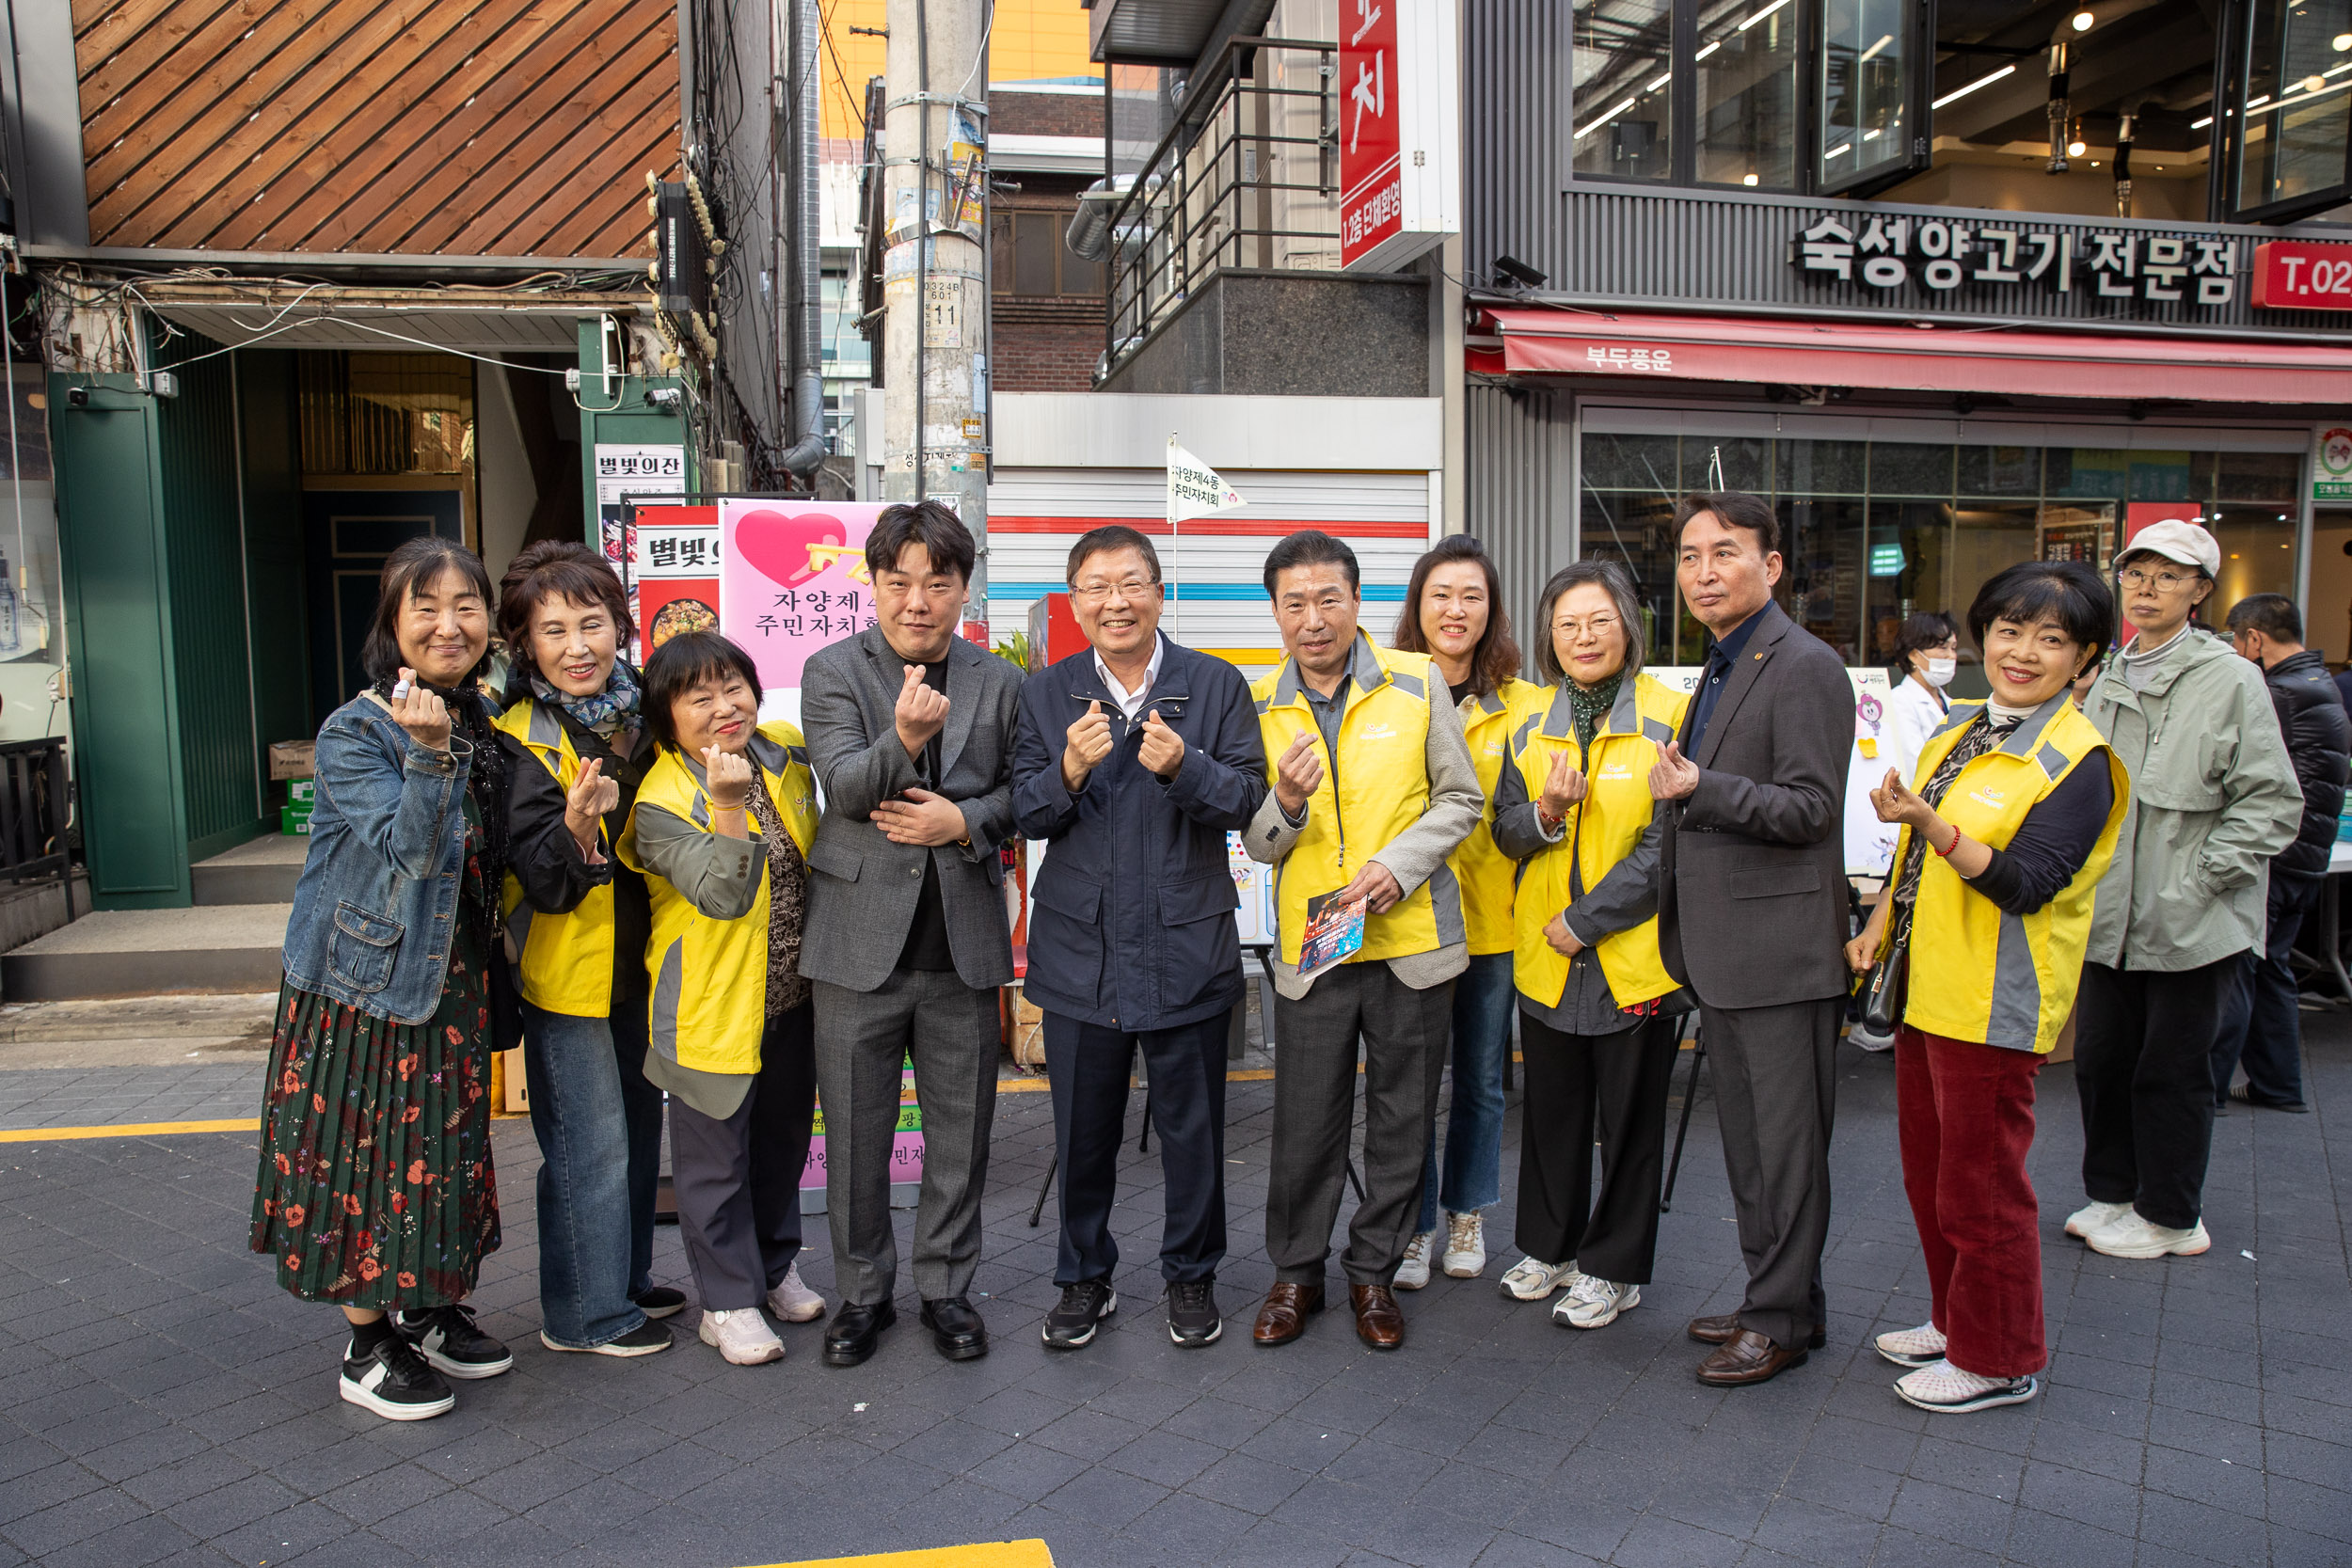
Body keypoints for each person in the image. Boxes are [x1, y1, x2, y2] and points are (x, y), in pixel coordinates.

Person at [1846, 562, 2127, 1414]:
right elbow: (1913, 858)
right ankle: (1953, 1320)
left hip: (1994, 1003)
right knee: (1933, 1178)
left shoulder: (2080, 760)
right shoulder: (1964, 727)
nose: (2023, 651)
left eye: (2052, 639)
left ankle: (2001, 1357)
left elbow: (2026, 883)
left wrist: (1932, 823)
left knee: (1985, 1188)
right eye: (2009, 629)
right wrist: (1877, 922)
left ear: (2084, 659)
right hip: (1926, 987)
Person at [252, 538, 514, 1421]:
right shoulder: (355, 731)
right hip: (362, 988)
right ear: (391, 624)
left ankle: (428, 1306)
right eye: (425, 607)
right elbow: (413, 850)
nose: (449, 624)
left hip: (451, 982)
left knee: (438, 1156)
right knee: (362, 1162)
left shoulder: (478, 719)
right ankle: (367, 1340)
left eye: (467, 605)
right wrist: (430, 754)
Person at [1010, 526, 1268, 1350]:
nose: (1114, 601)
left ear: (1160, 592)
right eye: (1096, 586)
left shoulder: (1214, 683)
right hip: (1079, 951)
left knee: (1193, 1130)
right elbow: (1024, 810)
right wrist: (1067, 772)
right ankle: (1084, 1276)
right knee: (1083, 1131)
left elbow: (1247, 800)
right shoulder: (1045, 693)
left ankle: (1192, 1275)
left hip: (1185, 944)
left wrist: (1184, 765)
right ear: (1075, 600)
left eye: (1131, 583)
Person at [1243, 531, 1483, 1353]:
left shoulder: (1417, 681)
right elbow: (1258, 843)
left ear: (1356, 601)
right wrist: (1286, 802)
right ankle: (1295, 1274)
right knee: (1304, 1120)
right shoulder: (1259, 703)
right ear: (1276, 612)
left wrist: (1397, 866)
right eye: (1295, 603)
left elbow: (1461, 798)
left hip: (1411, 941)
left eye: (1328, 599)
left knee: (1402, 1119)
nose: (1313, 619)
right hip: (1315, 951)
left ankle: (1373, 1272)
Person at [799, 500, 1024, 1367]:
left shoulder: (998, 680)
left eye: (938, 582)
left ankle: (946, 1288)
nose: (918, 601)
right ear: (874, 584)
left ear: (964, 588)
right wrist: (904, 736)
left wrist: (963, 822)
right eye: (899, 582)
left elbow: (1023, 792)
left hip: (961, 945)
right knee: (855, 1136)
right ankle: (863, 1295)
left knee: (960, 1134)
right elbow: (847, 787)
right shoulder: (832, 671)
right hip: (856, 945)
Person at [1648, 491, 1853, 1388]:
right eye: (1690, 556)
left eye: (1724, 552)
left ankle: (1780, 1321)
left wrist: (1702, 788)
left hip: (1779, 954)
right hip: (1729, 951)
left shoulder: (1804, 663)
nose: (1703, 572)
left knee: (1784, 1151)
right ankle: (1781, 1298)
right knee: (1752, 1148)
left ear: (1771, 566)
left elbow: (1812, 808)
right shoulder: (1725, 661)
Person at [2073, 520, 2300, 1259]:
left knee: (2173, 1072)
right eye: (2136, 573)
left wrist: (2202, 878)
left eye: (2168, 576)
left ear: (2200, 590)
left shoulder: (2231, 677)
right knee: (2102, 1060)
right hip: (2111, 914)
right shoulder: (2110, 671)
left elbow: (2272, 801)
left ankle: (2172, 1216)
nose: (2147, 588)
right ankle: (2114, 1193)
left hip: (2195, 918)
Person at [1490, 561, 1692, 1329]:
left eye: (1600, 620)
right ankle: (1551, 1248)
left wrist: (1586, 920)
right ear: (1549, 634)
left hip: (1631, 957)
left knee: (1630, 1122)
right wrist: (1545, 811)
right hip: (1545, 958)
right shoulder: (1528, 722)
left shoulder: (1671, 715)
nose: (1584, 636)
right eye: (1568, 623)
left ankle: (1615, 1268)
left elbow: (1668, 844)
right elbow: (1504, 831)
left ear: (1628, 628)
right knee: (1552, 1114)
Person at [493, 543, 680, 1362]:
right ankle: (583, 1312)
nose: (578, 647)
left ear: (620, 626)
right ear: (525, 644)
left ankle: (625, 1280)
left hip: (641, 966)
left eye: (592, 624)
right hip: (565, 975)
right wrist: (576, 824)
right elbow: (539, 878)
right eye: (554, 630)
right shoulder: (517, 739)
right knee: (587, 1145)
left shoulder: (647, 716)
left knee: (637, 1133)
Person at [617, 632, 823, 1365]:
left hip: (792, 999)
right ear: (666, 717)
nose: (723, 706)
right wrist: (729, 807)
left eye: (733, 686)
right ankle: (727, 1302)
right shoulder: (660, 802)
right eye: (698, 696)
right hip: (708, 1009)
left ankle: (772, 1266)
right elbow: (724, 896)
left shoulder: (782, 751)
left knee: (781, 1149)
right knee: (715, 1167)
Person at [1390, 535, 1540, 1289]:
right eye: (1441, 594)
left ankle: (1466, 1212)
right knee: (1410, 1083)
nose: (1456, 610)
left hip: (1490, 920)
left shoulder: (1523, 704)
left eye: (1471, 596)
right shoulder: (1388, 690)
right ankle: (1413, 1224)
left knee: (1481, 1079)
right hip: (1406, 921)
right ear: (1418, 606)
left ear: (1491, 609)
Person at [2214, 594, 2346, 1115]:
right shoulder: (2321, 683)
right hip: (2307, 854)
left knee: (2235, 969)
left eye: (2235, 641)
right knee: (2272, 970)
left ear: (2254, 639)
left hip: (2273, 853)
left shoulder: (2276, 693)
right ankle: (2278, 1084)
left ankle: (2206, 1089)